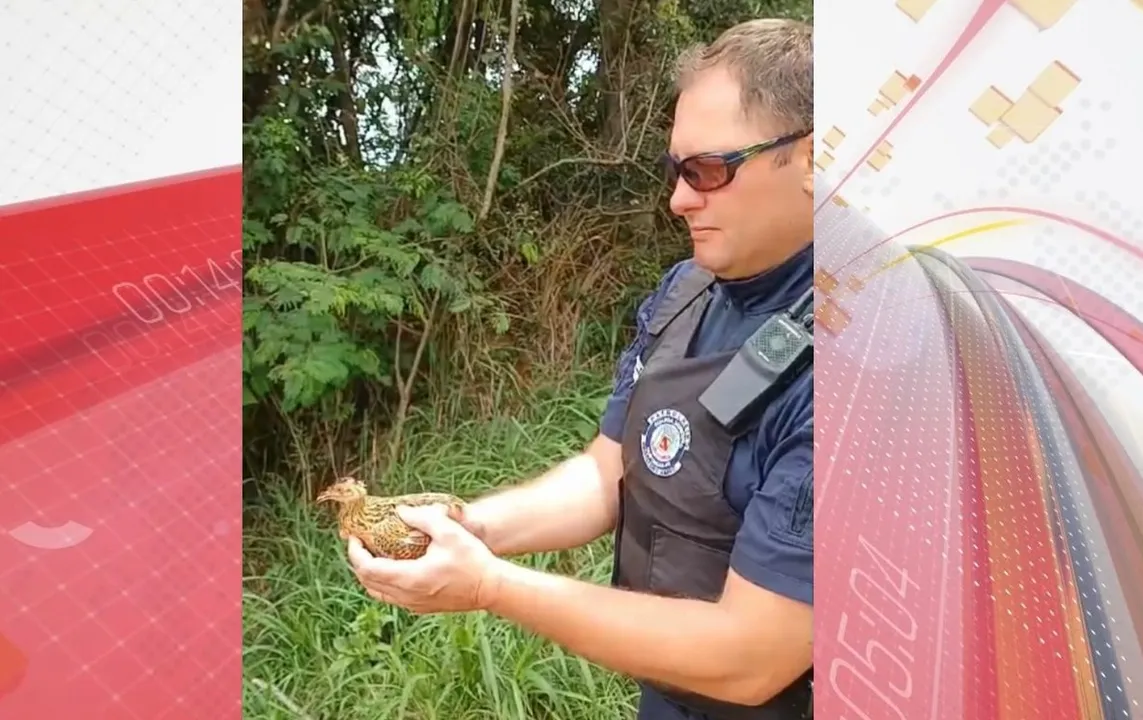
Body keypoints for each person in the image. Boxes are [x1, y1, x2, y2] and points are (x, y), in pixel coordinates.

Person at [346, 17, 814, 720]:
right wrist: (465, 526)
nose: (678, 199)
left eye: (708, 170)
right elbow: (607, 471)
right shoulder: (684, 294)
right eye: (673, 170)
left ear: (814, 159)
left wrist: (490, 586)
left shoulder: (862, 366)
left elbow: (750, 658)